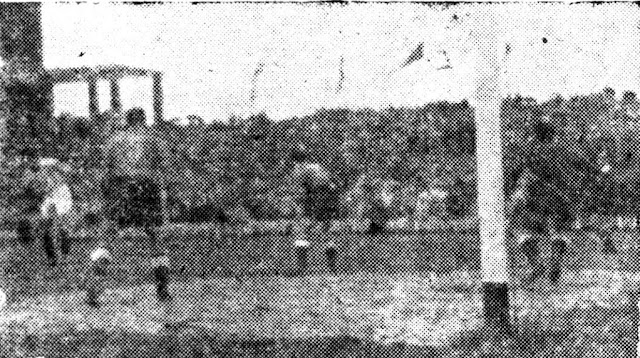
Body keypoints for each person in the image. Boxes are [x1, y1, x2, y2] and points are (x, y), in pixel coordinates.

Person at [102, 107, 171, 302]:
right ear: (143, 120)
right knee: (156, 237)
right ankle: (162, 289)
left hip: (120, 186)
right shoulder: (154, 138)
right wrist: (162, 193)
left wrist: (108, 198)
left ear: (127, 120)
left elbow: (105, 173)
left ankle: (94, 287)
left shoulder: (114, 140)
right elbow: (164, 167)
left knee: (108, 235)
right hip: (146, 185)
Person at [290, 148, 340, 274]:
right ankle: (333, 268)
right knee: (325, 231)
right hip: (330, 196)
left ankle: (301, 269)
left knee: (301, 229)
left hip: (319, 195)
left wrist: (300, 207)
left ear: (295, 161)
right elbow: (332, 183)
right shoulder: (317, 166)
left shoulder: (299, 170)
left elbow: (301, 193)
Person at [39, 158, 73, 266]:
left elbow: (64, 176)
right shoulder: (46, 177)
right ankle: (52, 257)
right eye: (44, 168)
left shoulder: (60, 178)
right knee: (47, 229)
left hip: (62, 198)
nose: (45, 170)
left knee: (63, 228)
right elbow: (46, 191)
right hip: (51, 198)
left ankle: (64, 256)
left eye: (47, 168)